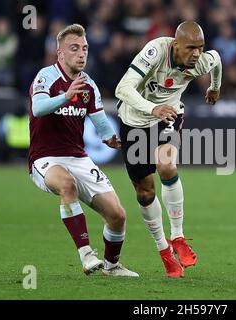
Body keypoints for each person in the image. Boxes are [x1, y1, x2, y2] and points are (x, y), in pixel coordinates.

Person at [28, 24, 138, 277]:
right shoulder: (46, 76)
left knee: (117, 215)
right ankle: (87, 254)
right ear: (60, 53)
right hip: (45, 157)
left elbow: (99, 121)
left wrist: (110, 138)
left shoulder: (88, 85)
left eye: (85, 48)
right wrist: (66, 96)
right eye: (74, 48)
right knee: (67, 185)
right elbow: (38, 108)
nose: (81, 54)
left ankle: (111, 267)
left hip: (78, 157)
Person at [115, 21, 222, 277]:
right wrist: (152, 108)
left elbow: (216, 60)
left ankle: (178, 237)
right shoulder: (156, 51)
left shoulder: (200, 61)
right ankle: (163, 250)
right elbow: (123, 88)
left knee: (166, 165)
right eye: (190, 48)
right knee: (145, 192)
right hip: (135, 121)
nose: (196, 54)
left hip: (168, 116)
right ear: (175, 45)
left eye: (200, 48)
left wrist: (214, 87)